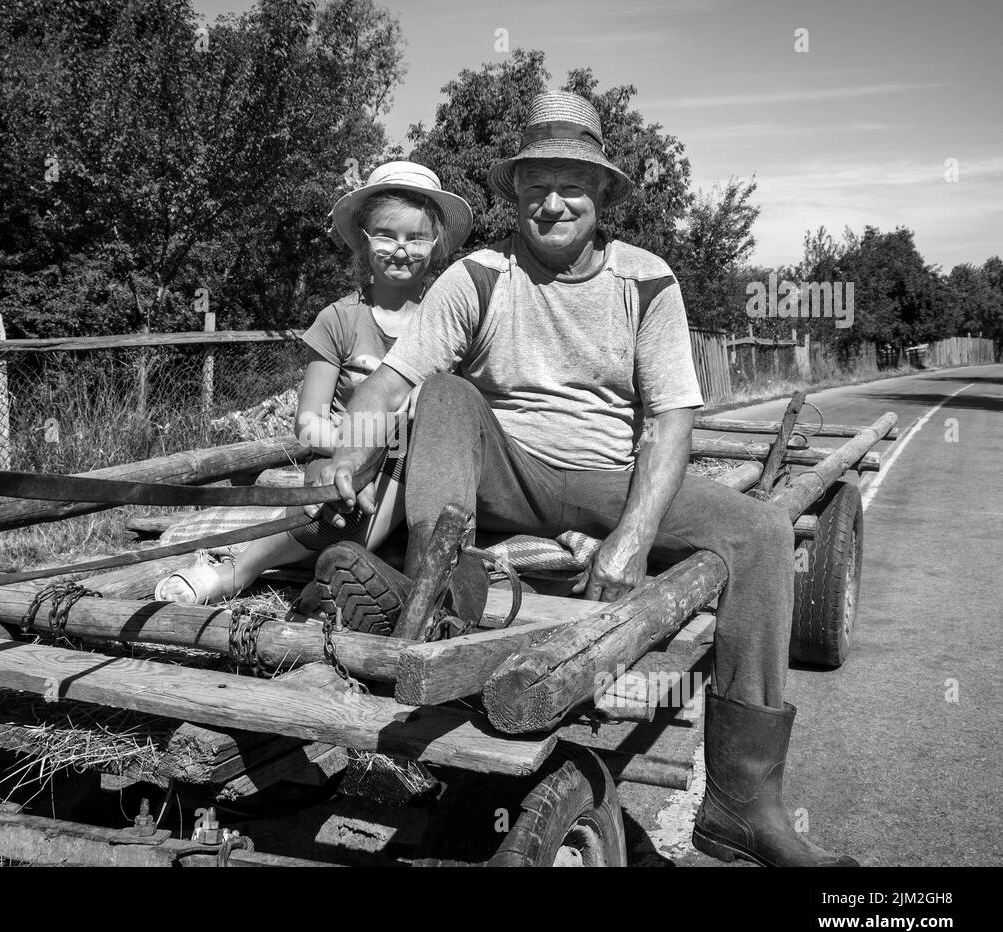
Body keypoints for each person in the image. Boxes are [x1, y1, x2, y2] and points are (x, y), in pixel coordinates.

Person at [306, 91, 858, 867]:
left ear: (602, 195)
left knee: (762, 531)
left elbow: (671, 421)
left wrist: (630, 538)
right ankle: (431, 598)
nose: (553, 202)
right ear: (517, 197)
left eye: (572, 186)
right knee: (447, 394)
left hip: (606, 477)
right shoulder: (478, 277)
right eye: (536, 188)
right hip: (506, 474)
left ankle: (743, 804)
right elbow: (395, 382)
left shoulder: (647, 281)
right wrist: (346, 454)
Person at [154, 161, 472, 605]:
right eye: (387, 235)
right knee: (356, 482)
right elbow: (309, 422)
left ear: (435, 244)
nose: (402, 250)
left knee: (409, 444)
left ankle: (326, 577)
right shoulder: (339, 319)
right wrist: (358, 445)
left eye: (416, 238)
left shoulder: (448, 321)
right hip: (340, 459)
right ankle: (241, 570)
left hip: (416, 471)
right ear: (364, 240)